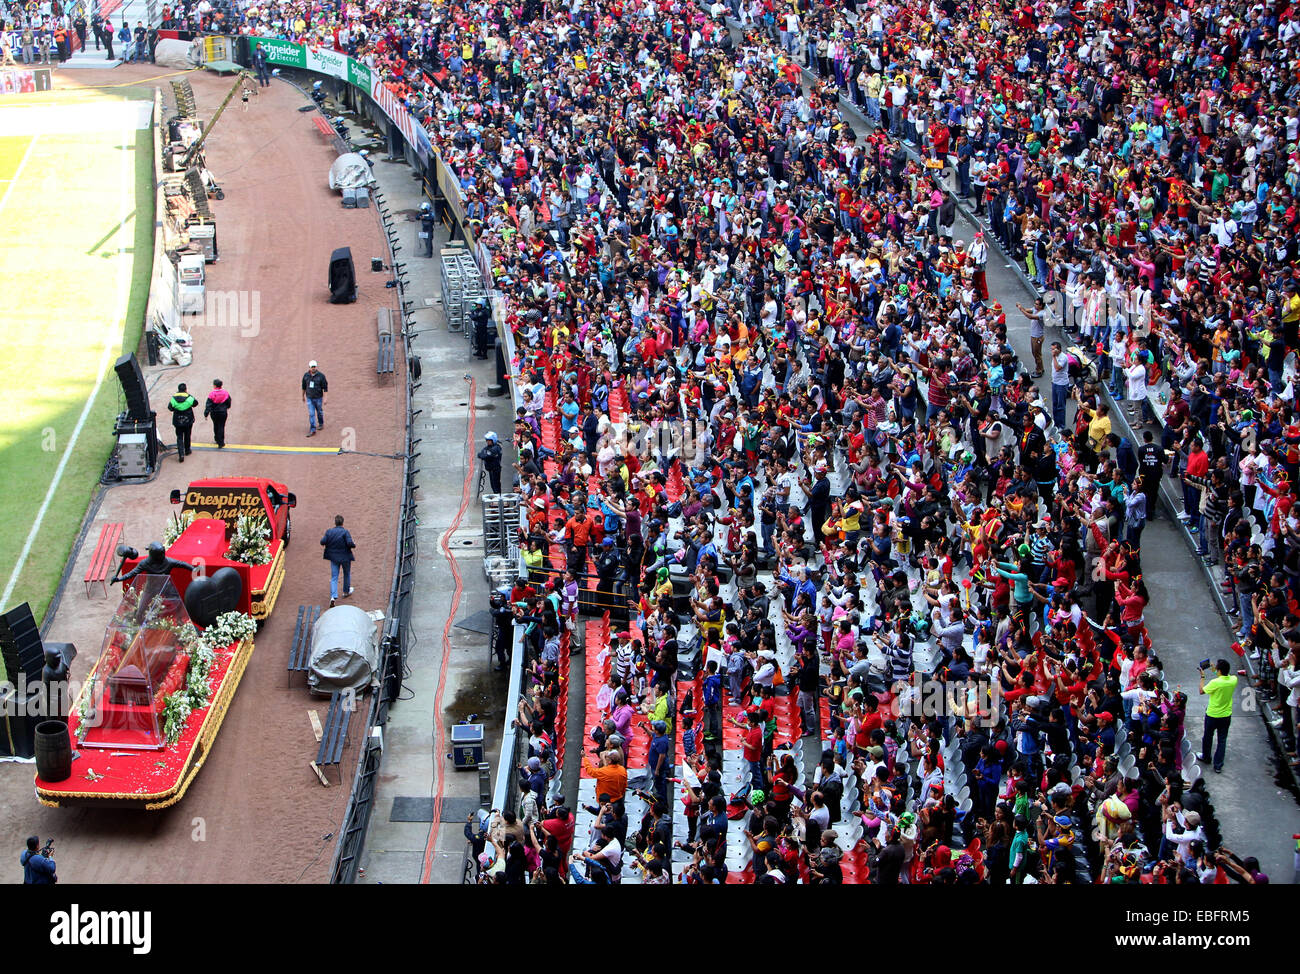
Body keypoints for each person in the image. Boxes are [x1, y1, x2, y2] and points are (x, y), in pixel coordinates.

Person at [1198, 658, 1238, 773]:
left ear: (1219, 671)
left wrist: (1202, 677)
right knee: (1222, 740)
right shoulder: (1233, 680)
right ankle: (1218, 765)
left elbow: (1201, 691)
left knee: (1207, 737)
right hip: (1226, 715)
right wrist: (1215, 670)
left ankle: (1206, 757)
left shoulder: (1215, 683)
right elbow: (1225, 676)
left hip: (1212, 715)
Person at [320, 514, 355, 607]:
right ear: (342, 523)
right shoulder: (345, 532)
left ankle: (333, 596)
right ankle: (346, 591)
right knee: (346, 573)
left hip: (334, 558)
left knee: (334, 577)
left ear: (335, 523)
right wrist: (353, 544)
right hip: (345, 557)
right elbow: (350, 543)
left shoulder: (329, 532)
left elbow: (322, 541)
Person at [167, 382, 197, 462]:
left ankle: (181, 454)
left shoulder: (174, 398)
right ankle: (187, 450)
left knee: (179, 437)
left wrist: (176, 409)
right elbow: (195, 403)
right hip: (188, 419)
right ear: (185, 389)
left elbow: (170, 407)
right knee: (187, 435)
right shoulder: (189, 397)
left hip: (177, 419)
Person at [203, 379, 231, 449]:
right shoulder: (225, 393)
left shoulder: (212, 394)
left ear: (215, 385)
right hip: (223, 412)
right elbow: (229, 401)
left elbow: (208, 404)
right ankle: (221, 442)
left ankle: (216, 439)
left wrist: (206, 414)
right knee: (221, 426)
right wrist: (226, 407)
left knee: (215, 425)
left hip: (214, 413)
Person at [302, 360, 327, 437]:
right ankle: (313, 429)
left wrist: (325, 398)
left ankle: (321, 423)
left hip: (318, 398)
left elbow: (325, 388)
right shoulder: (306, 376)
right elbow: (303, 387)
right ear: (309, 367)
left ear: (316, 367)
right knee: (311, 413)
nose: (313, 368)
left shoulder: (321, 376)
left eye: (314, 367)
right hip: (309, 398)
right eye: (312, 367)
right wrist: (302, 396)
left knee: (319, 411)